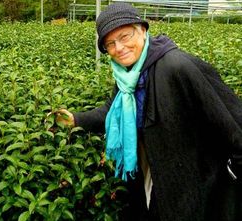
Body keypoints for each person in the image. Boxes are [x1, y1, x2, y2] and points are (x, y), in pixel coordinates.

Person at [55, 3, 242, 221]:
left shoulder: (178, 66)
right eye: (110, 44)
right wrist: (76, 119)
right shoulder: (128, 76)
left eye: (124, 37)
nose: (119, 48)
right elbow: (112, 109)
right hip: (153, 175)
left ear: (143, 30)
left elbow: (231, 117)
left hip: (194, 181)